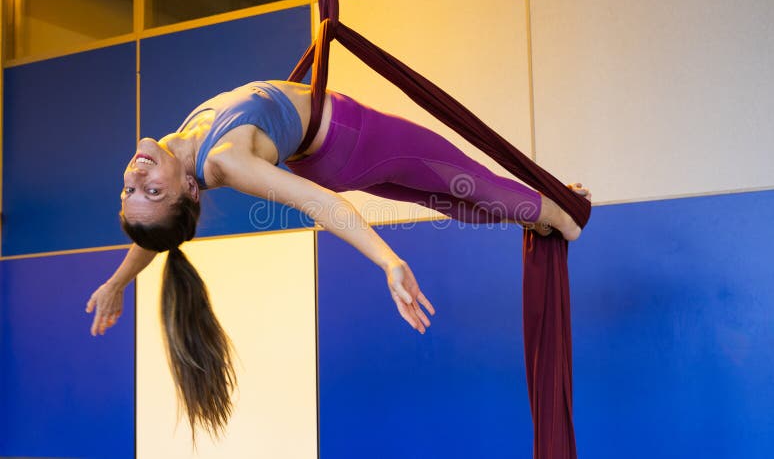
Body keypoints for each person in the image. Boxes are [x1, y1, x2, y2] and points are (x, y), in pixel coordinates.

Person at [85, 80, 591, 439]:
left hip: (335, 150)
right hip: (357, 139)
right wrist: (389, 262)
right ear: (191, 191)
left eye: (130, 188)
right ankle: (566, 215)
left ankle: (535, 214)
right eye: (150, 188)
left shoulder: (175, 153)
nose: (137, 172)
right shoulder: (224, 160)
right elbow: (321, 206)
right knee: (462, 179)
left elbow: (156, 235)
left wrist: (117, 282)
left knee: (446, 198)